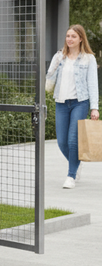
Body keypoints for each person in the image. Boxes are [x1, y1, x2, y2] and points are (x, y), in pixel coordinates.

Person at [46, 24, 99, 189]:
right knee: (62, 142)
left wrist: (94, 107)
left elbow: (92, 84)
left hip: (79, 103)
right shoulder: (59, 56)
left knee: (72, 140)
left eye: (73, 36)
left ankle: (71, 175)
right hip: (61, 102)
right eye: (68, 36)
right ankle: (76, 163)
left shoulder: (88, 59)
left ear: (81, 39)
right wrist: (53, 67)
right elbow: (49, 82)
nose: (69, 39)